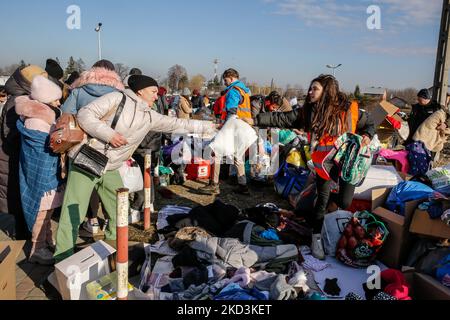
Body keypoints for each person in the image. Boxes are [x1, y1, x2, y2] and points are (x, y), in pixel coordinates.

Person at [53, 75, 216, 262]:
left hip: (111, 166)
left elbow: (176, 123)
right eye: (153, 92)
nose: (157, 96)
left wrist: (209, 127)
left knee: (119, 209)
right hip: (89, 159)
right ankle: (63, 258)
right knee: (74, 210)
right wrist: (109, 135)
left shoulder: (149, 115)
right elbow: (84, 114)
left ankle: (112, 251)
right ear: (140, 90)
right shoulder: (116, 98)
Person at [249, 75, 375, 260]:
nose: (309, 92)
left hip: (348, 164)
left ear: (327, 91)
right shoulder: (310, 111)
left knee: (345, 202)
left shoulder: (350, 108)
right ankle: (316, 237)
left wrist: (367, 135)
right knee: (322, 201)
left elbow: (369, 123)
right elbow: (283, 119)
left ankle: (313, 202)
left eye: (314, 88)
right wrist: (256, 120)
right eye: (310, 88)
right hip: (324, 163)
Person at [61, 60, 124, 234]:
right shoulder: (119, 93)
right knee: (115, 203)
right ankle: (114, 246)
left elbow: (66, 118)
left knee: (75, 201)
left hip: (82, 151)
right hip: (110, 150)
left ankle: (66, 252)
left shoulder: (78, 91)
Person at [15, 75, 65, 265]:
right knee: (41, 211)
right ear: (45, 100)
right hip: (42, 171)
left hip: (49, 170)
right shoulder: (36, 120)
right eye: (55, 99)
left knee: (48, 210)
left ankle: (46, 239)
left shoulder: (44, 115)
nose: (59, 102)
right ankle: (37, 248)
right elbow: (43, 145)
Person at [0, 65, 48, 240]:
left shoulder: (24, 97)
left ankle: (27, 233)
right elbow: (9, 133)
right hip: (13, 158)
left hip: (18, 156)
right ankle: (23, 237)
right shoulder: (17, 102)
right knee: (19, 199)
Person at [199, 68, 252, 196]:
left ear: (231, 77)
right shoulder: (245, 91)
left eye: (225, 79)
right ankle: (243, 185)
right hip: (242, 128)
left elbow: (232, 113)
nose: (225, 82)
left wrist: (224, 128)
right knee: (237, 156)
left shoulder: (233, 91)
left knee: (216, 152)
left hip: (233, 127)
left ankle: (214, 184)